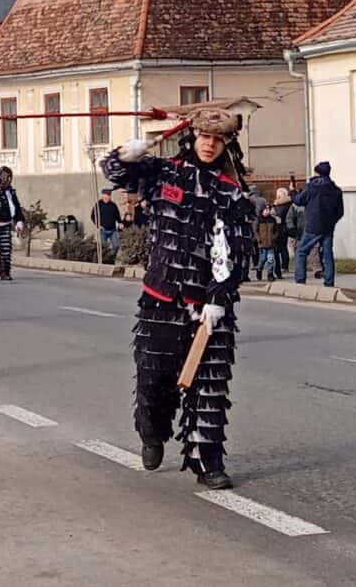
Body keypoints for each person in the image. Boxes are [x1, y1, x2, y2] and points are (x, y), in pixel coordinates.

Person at [102, 107, 253, 490]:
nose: (209, 144)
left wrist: (220, 297)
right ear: (193, 138)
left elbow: (236, 250)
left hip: (210, 307)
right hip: (161, 299)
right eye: (204, 137)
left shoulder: (230, 192)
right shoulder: (165, 172)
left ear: (226, 144)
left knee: (210, 389)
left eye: (217, 139)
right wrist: (126, 153)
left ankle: (208, 463)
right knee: (155, 381)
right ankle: (152, 436)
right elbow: (115, 173)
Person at [292, 162, 344, 287]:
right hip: (328, 226)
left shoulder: (312, 188)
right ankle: (329, 282)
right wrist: (332, 221)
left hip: (313, 226)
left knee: (301, 251)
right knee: (327, 254)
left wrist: (292, 192)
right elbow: (340, 212)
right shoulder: (336, 190)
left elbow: (299, 201)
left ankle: (300, 280)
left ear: (317, 173)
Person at [270, 187, 293, 279]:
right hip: (287, 227)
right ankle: (285, 265)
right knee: (284, 247)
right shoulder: (290, 204)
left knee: (278, 248)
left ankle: (280, 267)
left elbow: (277, 216)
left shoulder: (278, 205)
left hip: (279, 227)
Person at [253, 205, 278, 281]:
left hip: (271, 243)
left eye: (269, 210)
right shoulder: (258, 220)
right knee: (262, 259)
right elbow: (255, 230)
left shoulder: (272, 220)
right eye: (265, 210)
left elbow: (276, 230)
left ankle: (270, 274)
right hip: (262, 243)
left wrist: (274, 237)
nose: (267, 211)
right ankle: (259, 269)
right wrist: (258, 238)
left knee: (271, 259)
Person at [93, 188, 122, 252]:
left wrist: (120, 222)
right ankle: (105, 259)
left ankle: (112, 258)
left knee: (116, 246)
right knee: (103, 248)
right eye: (105, 195)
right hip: (103, 230)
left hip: (113, 230)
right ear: (102, 196)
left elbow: (117, 215)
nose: (106, 197)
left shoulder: (113, 205)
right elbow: (93, 216)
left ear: (110, 196)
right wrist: (98, 225)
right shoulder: (98, 205)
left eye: (108, 196)